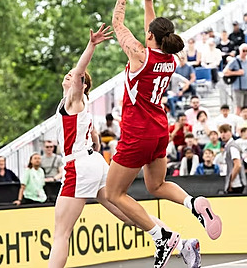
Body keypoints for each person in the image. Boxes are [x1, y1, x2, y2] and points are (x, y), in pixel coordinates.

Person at [48, 24, 201, 268]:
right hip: (94, 161)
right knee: (128, 214)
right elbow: (96, 138)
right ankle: (180, 242)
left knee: (61, 233)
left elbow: (79, 73)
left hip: (78, 164)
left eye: (74, 77)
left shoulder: (74, 99)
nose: (70, 76)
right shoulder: (82, 106)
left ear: (82, 86)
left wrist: (92, 45)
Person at [105, 0, 221, 267]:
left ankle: (162, 235)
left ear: (150, 36)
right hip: (159, 129)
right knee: (157, 185)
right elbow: (153, 30)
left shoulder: (140, 55)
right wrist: (147, 2)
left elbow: (117, 23)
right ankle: (192, 203)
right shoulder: (170, 58)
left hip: (137, 131)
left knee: (114, 193)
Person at [222, 43, 247, 114]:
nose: (245, 53)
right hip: (238, 88)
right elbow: (225, 71)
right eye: (243, 51)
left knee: (246, 107)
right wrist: (236, 72)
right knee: (239, 107)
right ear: (240, 51)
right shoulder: (235, 61)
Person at [219, 124, 246, 194]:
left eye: (225, 132)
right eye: (221, 132)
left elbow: (238, 165)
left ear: (231, 133)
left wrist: (230, 181)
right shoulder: (228, 146)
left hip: (236, 184)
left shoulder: (232, 147)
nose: (223, 135)